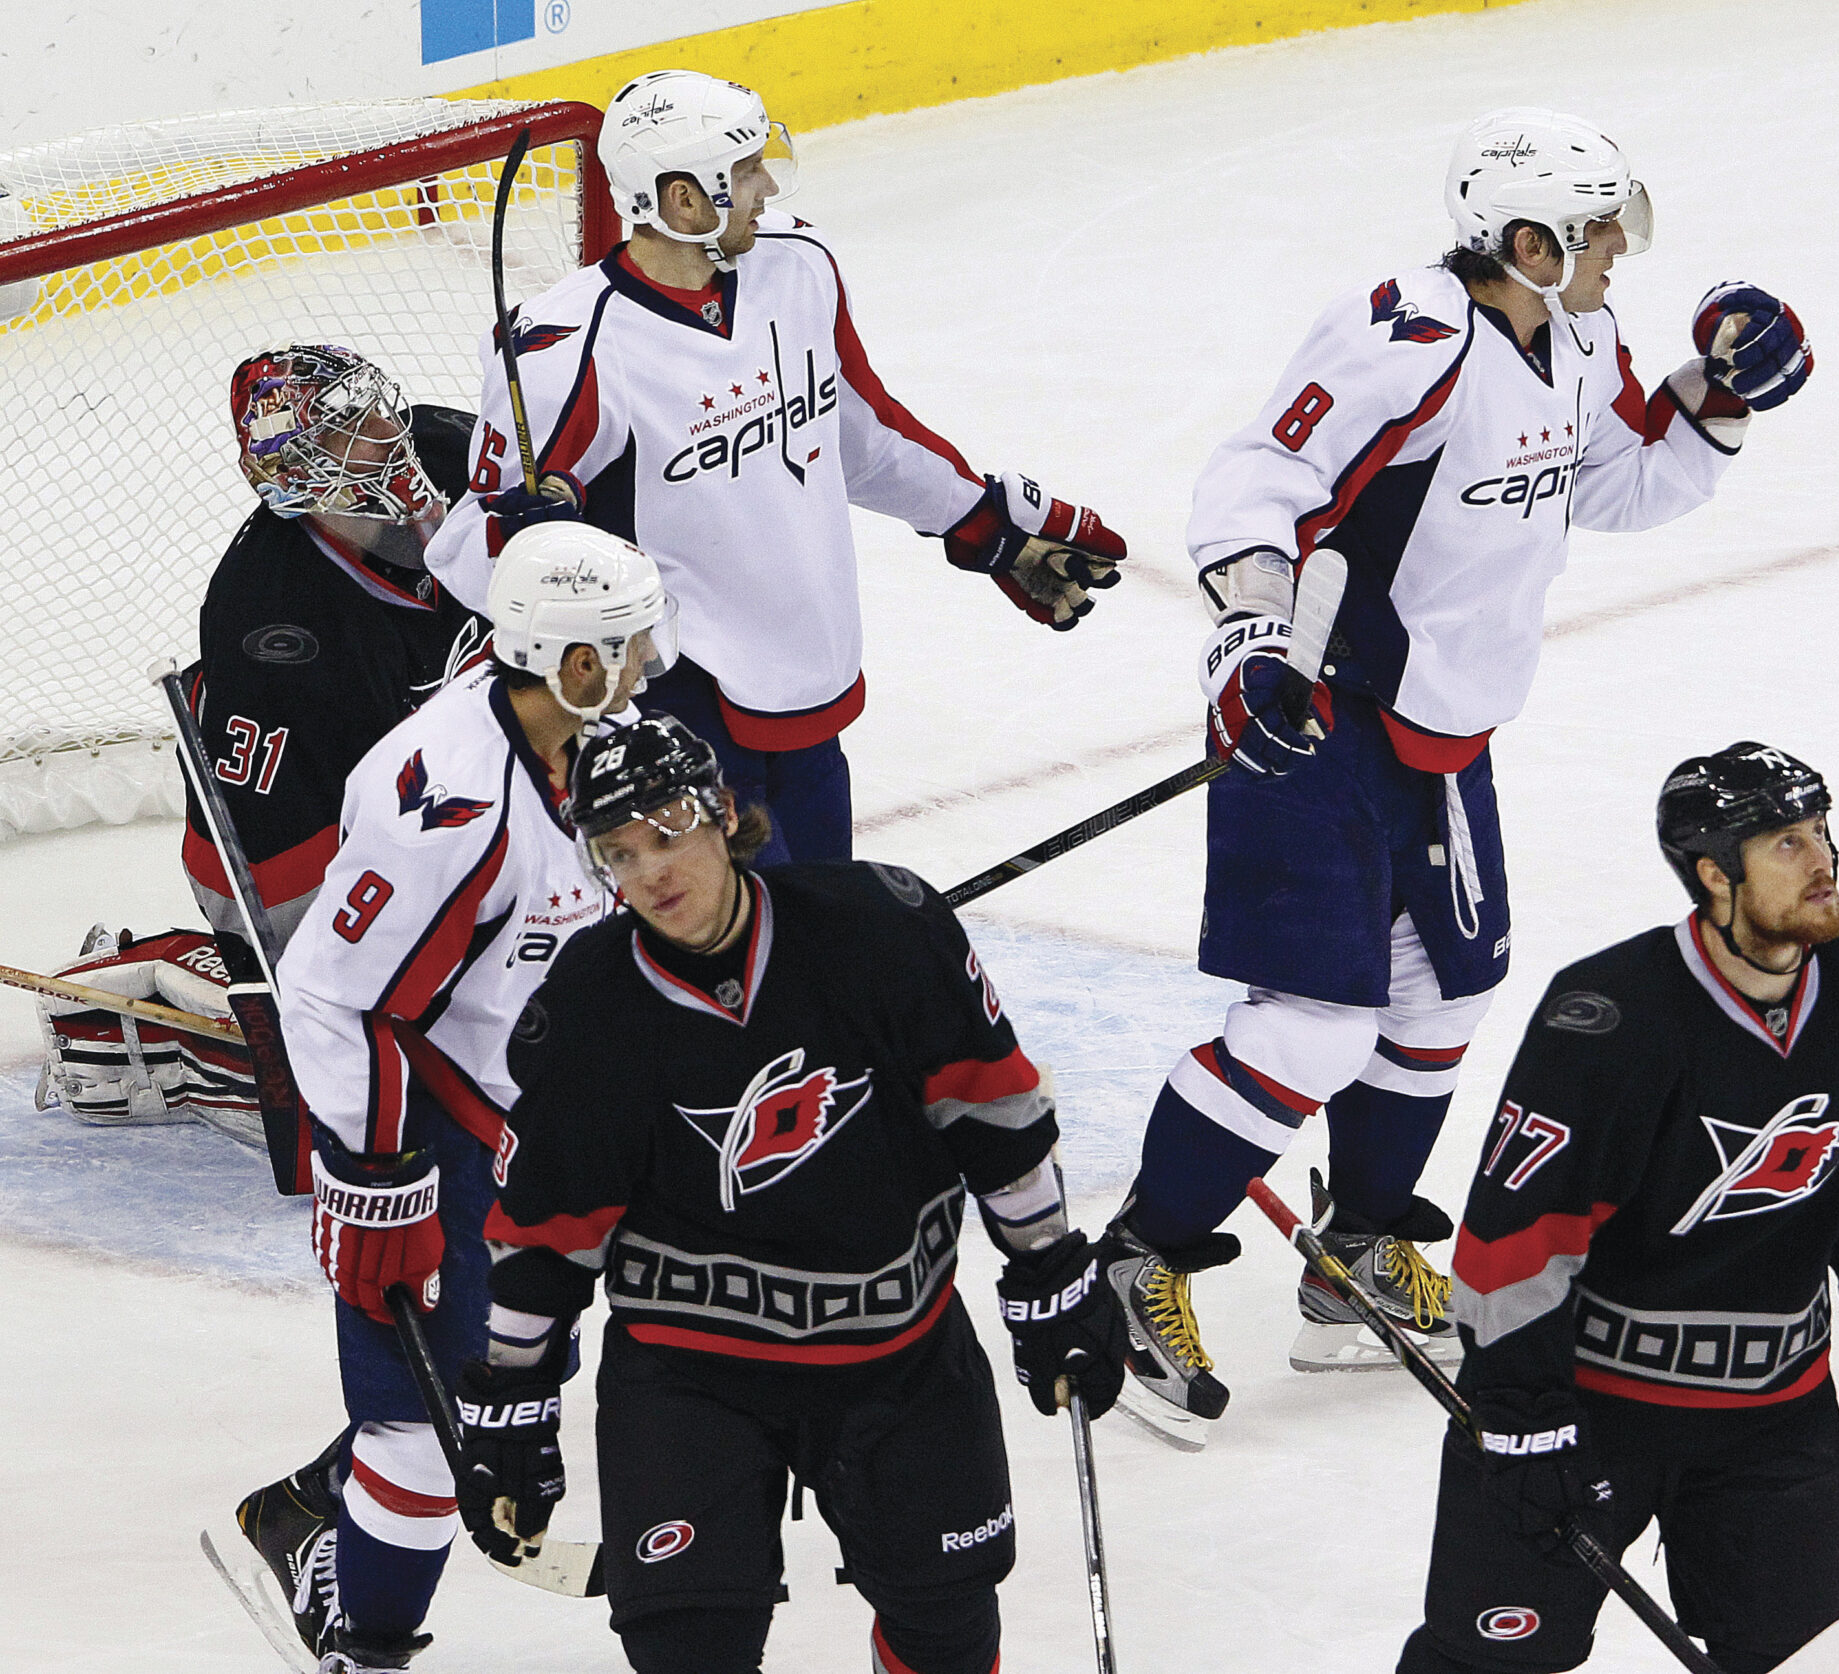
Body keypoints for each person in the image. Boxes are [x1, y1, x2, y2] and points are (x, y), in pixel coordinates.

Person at [1094, 107, 1815, 1446]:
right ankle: (1136, 1259)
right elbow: (1259, 475)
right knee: (1312, 1026)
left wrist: (1717, 402)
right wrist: (1253, 638)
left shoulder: (1578, 335)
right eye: (1601, 233)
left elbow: (1602, 488)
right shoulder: (1408, 338)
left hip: (1443, 730)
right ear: (1529, 242)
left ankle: (1352, 1255)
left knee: (1442, 1004)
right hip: (1316, 713)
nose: (1618, 255)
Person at [453, 715, 1121, 1674]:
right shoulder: (590, 1008)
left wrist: (1052, 1266)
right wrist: (513, 1394)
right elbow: (549, 1232)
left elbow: (991, 1111)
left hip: (900, 1354)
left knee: (947, 1636)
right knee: (688, 1650)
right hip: (691, 1373)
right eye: (619, 851)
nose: (652, 871)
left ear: (724, 812)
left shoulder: (881, 928)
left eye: (670, 825)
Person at [424, 68, 1128, 865]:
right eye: (743, 170)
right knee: (752, 952)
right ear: (685, 200)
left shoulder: (796, 264)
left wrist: (988, 527)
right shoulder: (567, 352)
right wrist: (534, 541)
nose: (764, 184)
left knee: (816, 945)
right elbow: (476, 551)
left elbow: (861, 434)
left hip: (804, 687)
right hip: (676, 711)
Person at [1400, 744, 1839, 1674]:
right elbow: (1515, 1246)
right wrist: (1523, 1421)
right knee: (1479, 1665)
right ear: (1713, 873)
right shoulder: (1609, 1018)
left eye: (1821, 830)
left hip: (1774, 1417)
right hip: (1588, 1413)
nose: (1822, 859)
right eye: (1787, 842)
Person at [224, 523, 674, 1672]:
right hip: (438, 1119)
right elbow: (330, 998)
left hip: (549, 1106)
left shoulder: (595, 733)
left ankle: (314, 1507)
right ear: (569, 662)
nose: (651, 660)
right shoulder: (456, 812)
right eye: (627, 644)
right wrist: (380, 1182)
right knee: (429, 1431)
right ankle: (365, 1645)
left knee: (511, 1381)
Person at [34, 347, 482, 1147]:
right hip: (288, 855)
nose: (389, 430)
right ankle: (178, 998)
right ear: (297, 472)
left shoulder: (453, 446)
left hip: (435, 786)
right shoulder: (278, 624)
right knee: (424, 1053)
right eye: (348, 429)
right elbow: (298, 866)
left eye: (374, 406)